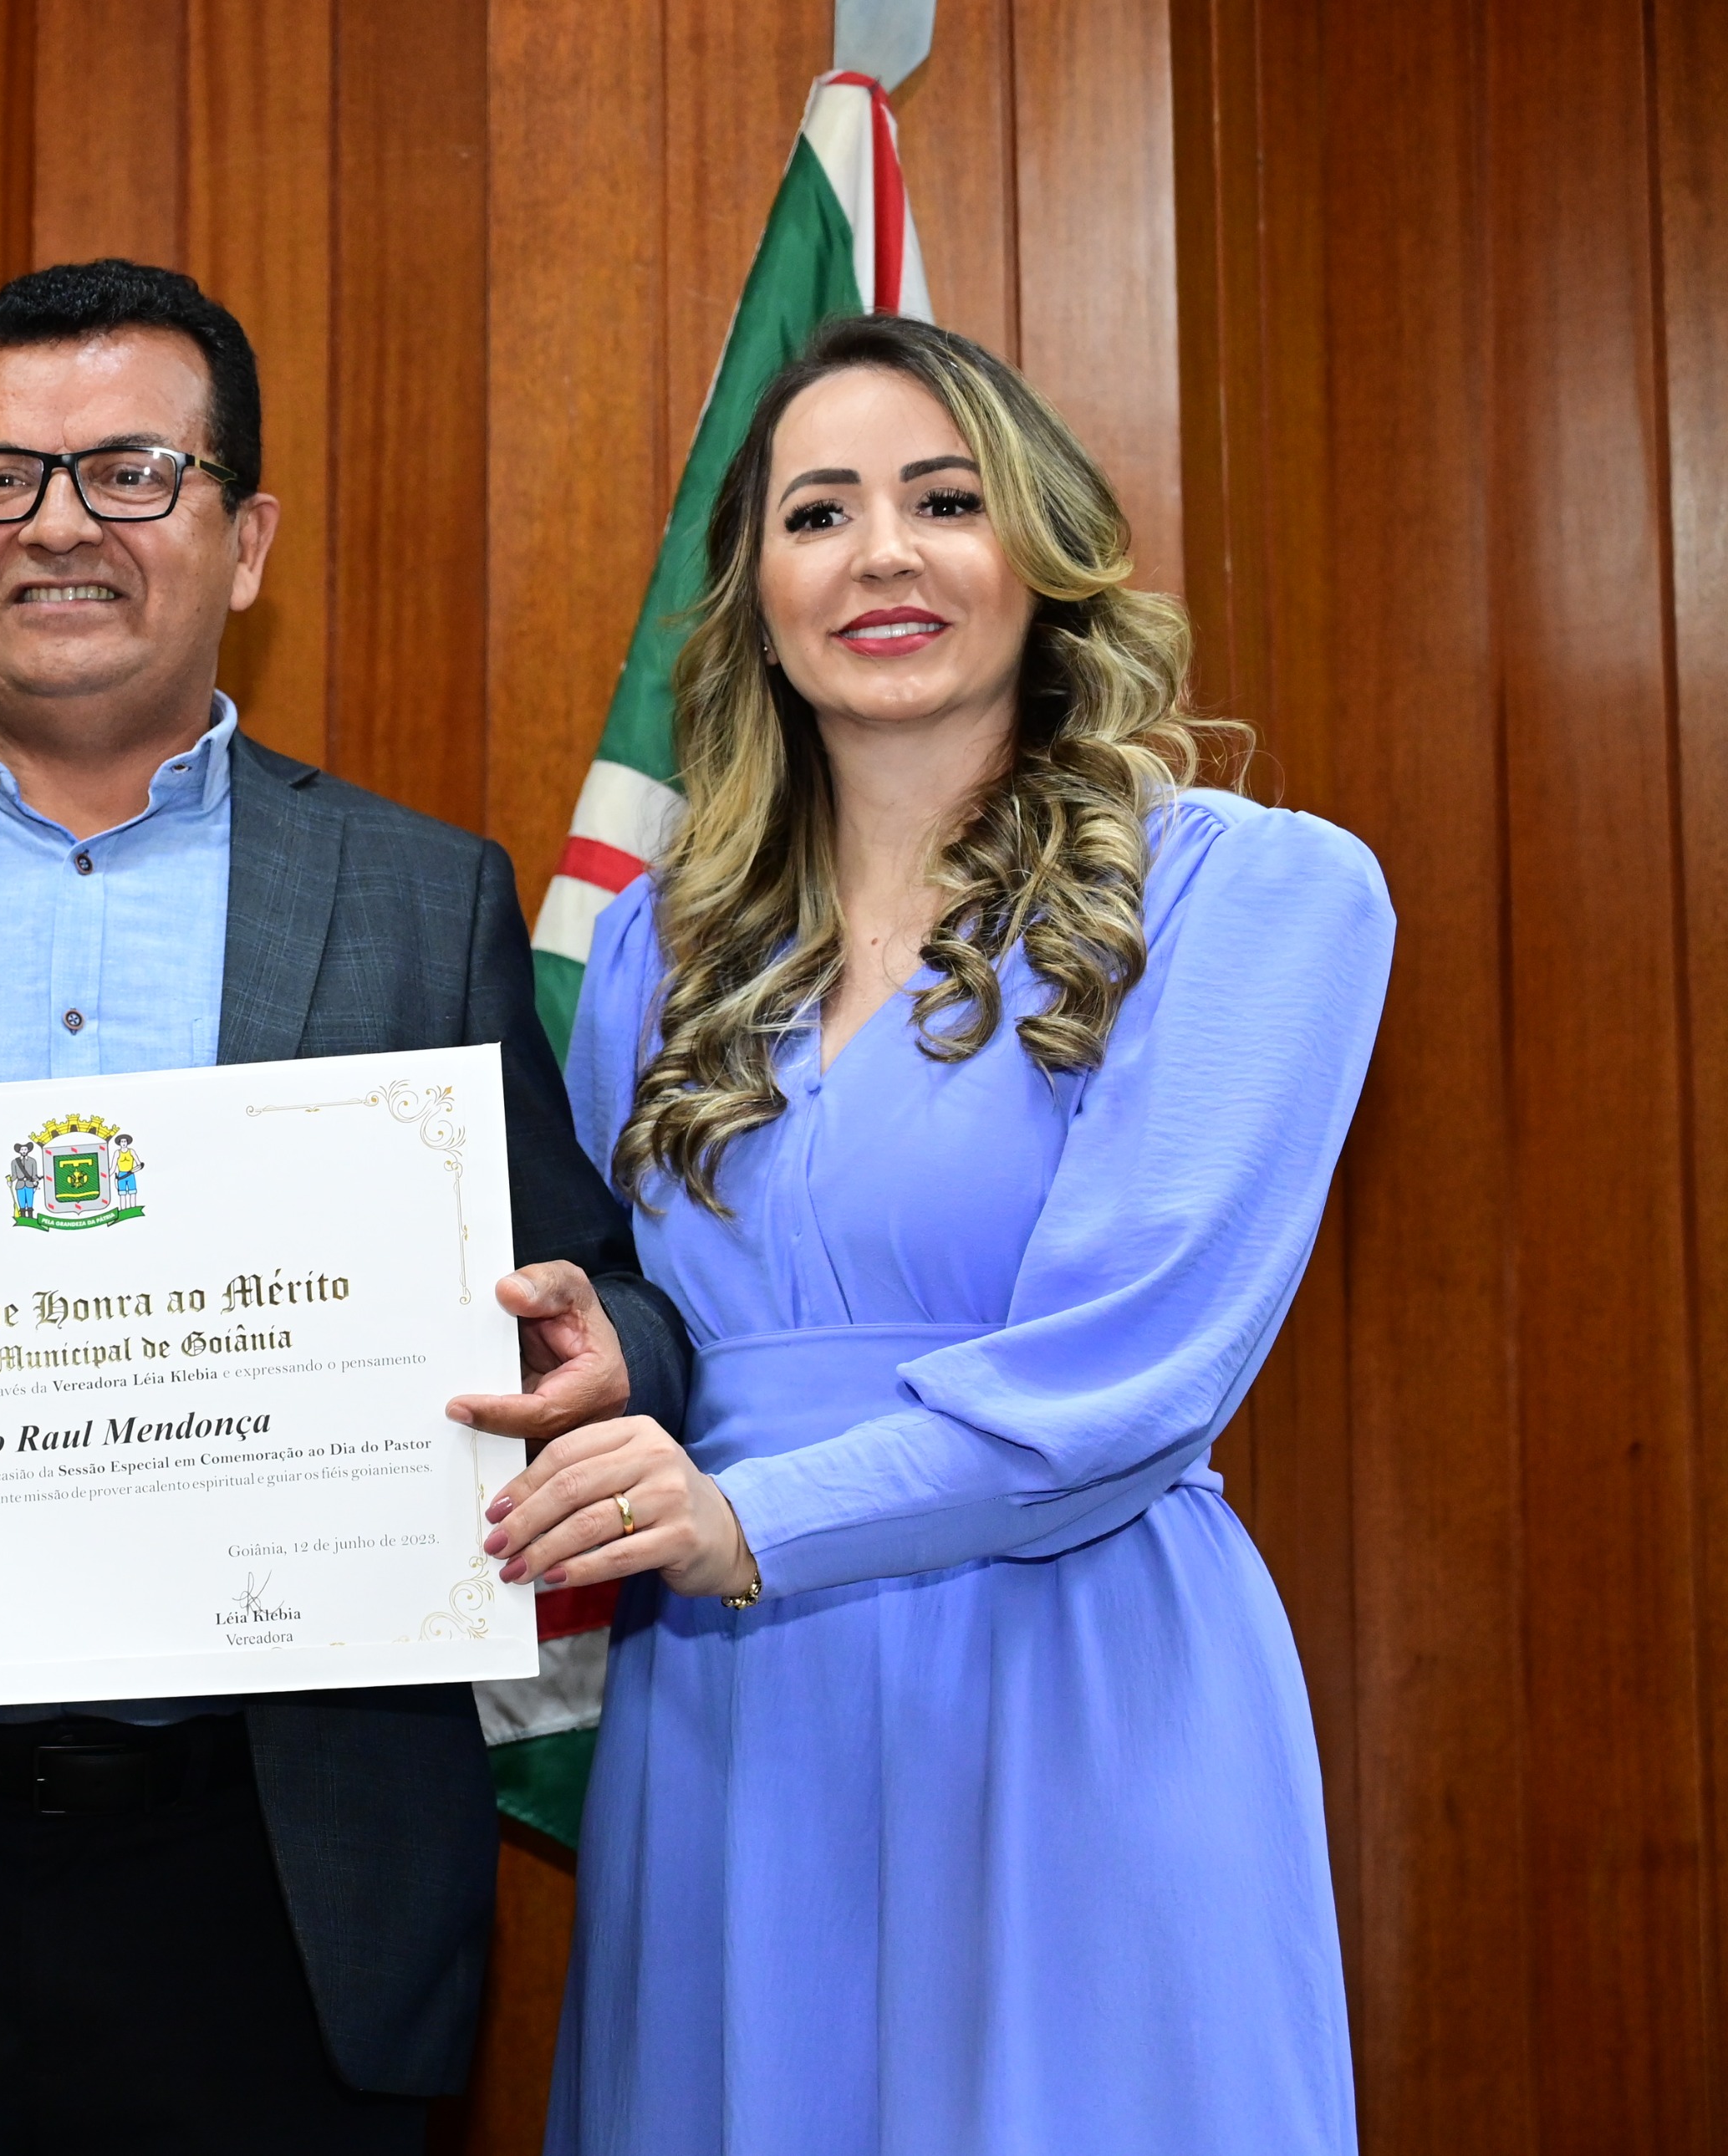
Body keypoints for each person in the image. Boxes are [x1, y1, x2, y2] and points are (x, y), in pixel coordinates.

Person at [0, 260, 695, 2153]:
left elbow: (608, 1289)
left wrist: (606, 1358)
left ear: (245, 541)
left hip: (277, 1885)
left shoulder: (419, 901)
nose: (56, 525)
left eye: (129, 473)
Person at [493, 313, 1388, 2153]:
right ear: (754, 599)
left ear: (1043, 556)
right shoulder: (659, 949)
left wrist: (752, 1520)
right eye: (818, 513)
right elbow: (633, 1323)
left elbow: (1135, 1367)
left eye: (946, 500)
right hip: (730, 1713)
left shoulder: (1250, 890)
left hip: (1075, 1689)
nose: (883, 554)